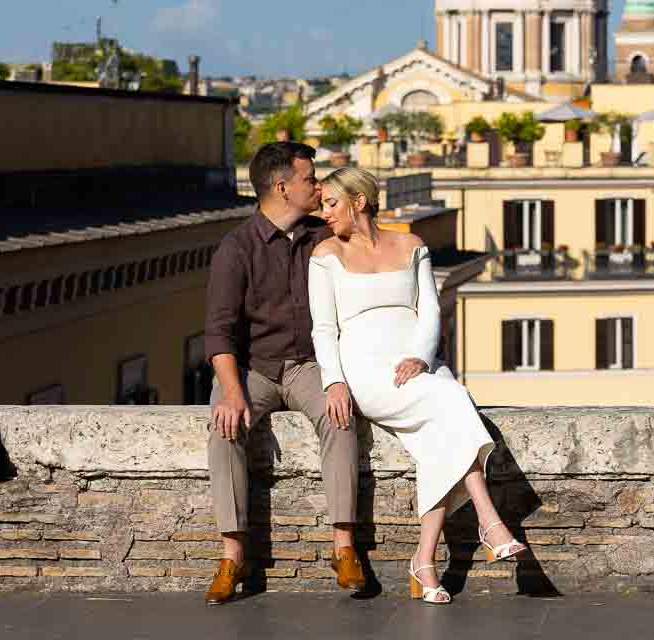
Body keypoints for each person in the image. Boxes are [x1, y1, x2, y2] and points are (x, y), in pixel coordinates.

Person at [308, 168, 526, 605]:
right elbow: (323, 329)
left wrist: (422, 357)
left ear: (358, 201)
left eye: (331, 203)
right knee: (454, 399)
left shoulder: (411, 246)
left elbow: (430, 311)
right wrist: (333, 382)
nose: (324, 213)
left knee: (438, 437)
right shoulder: (325, 254)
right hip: (367, 372)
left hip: (417, 365)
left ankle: (424, 561)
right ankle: (488, 516)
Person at [202, 143, 364, 605]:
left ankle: (344, 547)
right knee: (224, 429)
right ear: (281, 187)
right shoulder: (236, 248)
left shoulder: (322, 237)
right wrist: (233, 394)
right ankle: (233, 554)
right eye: (310, 179)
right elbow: (218, 333)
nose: (318, 186)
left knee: (340, 418)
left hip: (309, 365)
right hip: (253, 368)